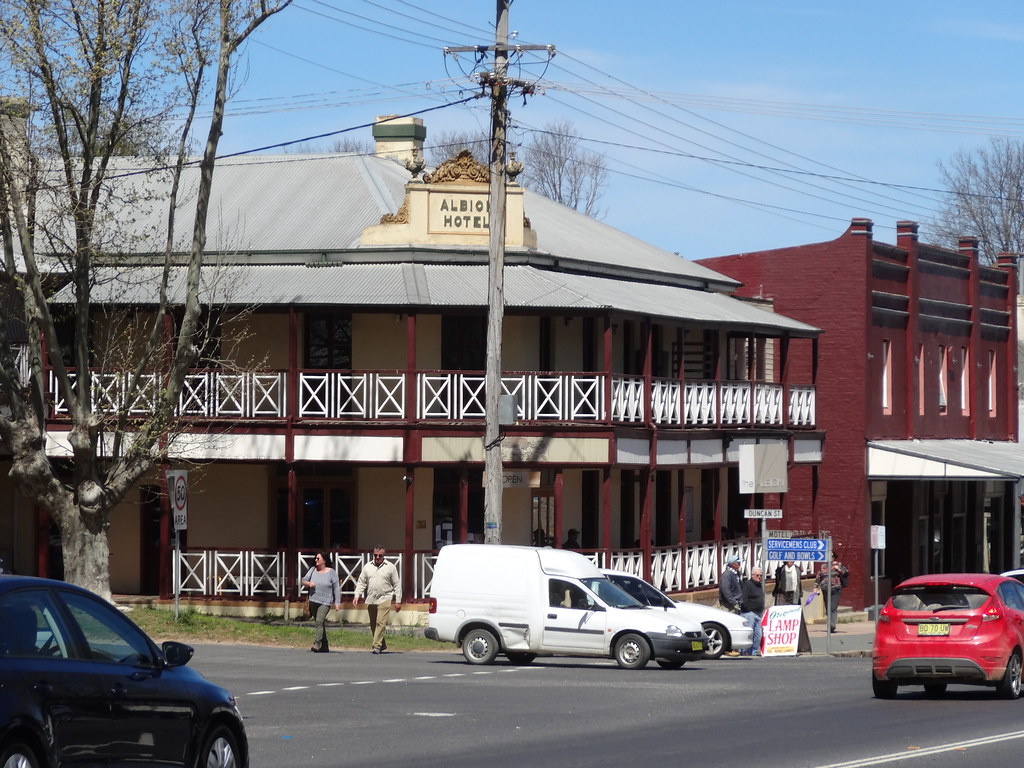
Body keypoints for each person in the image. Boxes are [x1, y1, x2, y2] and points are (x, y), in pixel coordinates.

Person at [354, 546, 402, 654]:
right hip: (371, 598)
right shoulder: (367, 567)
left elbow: (397, 584)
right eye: (375, 555)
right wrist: (357, 595)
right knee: (373, 624)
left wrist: (398, 601)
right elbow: (362, 582)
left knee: (381, 622)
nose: (377, 557)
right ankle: (382, 644)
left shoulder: (390, 567)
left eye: (380, 555)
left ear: (383, 555)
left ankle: (376, 645)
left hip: (385, 597)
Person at [301, 552, 341, 653]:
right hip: (313, 600)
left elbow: (336, 589)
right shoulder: (312, 570)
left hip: (326, 602)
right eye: (315, 558)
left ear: (324, 560)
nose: (316, 560)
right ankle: (325, 645)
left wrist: (337, 603)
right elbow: (303, 580)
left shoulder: (331, 572)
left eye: (318, 559)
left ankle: (317, 643)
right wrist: (309, 583)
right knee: (320, 623)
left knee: (319, 621)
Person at [815, 556, 849, 632]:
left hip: (835, 589)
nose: (830, 558)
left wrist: (838, 569)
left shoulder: (838, 565)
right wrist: (815, 587)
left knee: (833, 608)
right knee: (828, 608)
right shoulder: (823, 566)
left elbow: (846, 573)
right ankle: (830, 623)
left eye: (832, 556)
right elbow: (819, 576)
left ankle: (832, 625)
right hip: (825, 589)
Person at [739, 567, 765, 656]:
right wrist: (748, 610)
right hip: (749, 613)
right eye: (757, 575)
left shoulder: (759, 585)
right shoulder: (747, 585)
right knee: (749, 634)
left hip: (758, 613)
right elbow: (744, 599)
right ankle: (745, 651)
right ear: (752, 575)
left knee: (758, 635)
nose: (759, 577)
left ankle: (753, 651)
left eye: (761, 576)